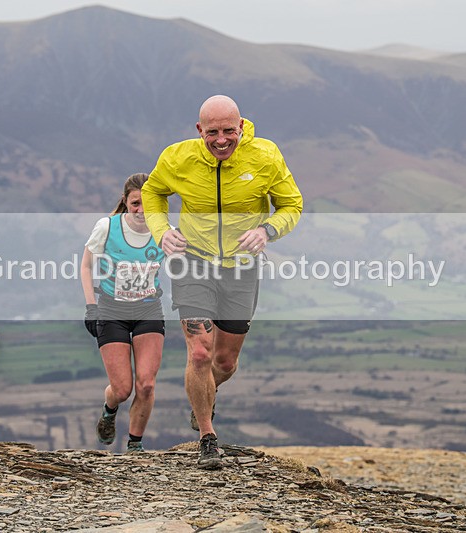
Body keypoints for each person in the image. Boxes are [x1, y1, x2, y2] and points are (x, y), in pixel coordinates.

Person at [141, 95, 303, 469]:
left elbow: (292, 204)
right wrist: (161, 231)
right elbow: (152, 192)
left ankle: (203, 397)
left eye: (229, 131)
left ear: (241, 126)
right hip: (192, 263)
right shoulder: (177, 158)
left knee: (225, 362)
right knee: (199, 352)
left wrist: (267, 230)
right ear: (200, 130)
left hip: (241, 268)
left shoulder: (265, 156)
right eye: (212, 132)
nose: (221, 140)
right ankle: (207, 436)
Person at [81, 173, 167, 454]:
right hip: (111, 309)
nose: (141, 210)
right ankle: (109, 410)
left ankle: (135, 444)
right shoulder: (107, 226)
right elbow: (85, 266)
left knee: (146, 384)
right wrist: (91, 306)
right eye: (135, 203)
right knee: (122, 390)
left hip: (148, 308)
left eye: (148, 204)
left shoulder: (164, 231)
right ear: (126, 202)